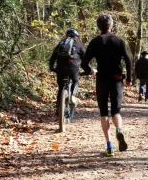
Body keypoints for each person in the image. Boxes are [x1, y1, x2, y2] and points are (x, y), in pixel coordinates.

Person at [81, 13, 131, 157]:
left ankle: (109, 146)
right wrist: (128, 78)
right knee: (116, 111)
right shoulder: (119, 40)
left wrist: (92, 71)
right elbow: (128, 60)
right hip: (116, 79)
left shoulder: (95, 41)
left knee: (103, 112)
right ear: (111, 25)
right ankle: (119, 130)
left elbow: (84, 63)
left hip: (102, 79)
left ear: (98, 27)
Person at [49, 28, 86, 116]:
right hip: (73, 68)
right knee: (75, 80)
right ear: (76, 37)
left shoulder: (61, 44)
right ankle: (72, 96)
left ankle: (58, 108)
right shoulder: (78, 45)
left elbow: (53, 57)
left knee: (61, 87)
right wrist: (87, 70)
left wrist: (51, 67)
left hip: (60, 68)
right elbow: (85, 59)